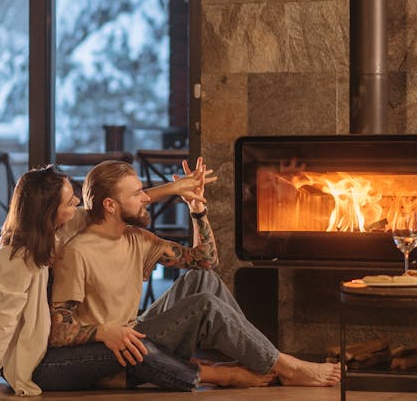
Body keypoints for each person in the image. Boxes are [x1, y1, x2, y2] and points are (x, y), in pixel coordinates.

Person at [0, 164, 271, 398]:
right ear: (50, 212)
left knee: (204, 282)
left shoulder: (60, 228)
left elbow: (108, 208)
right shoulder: (16, 259)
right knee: (135, 345)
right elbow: (3, 322)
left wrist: (184, 196)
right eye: (71, 203)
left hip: (97, 336)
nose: (79, 207)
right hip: (41, 362)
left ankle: (261, 358)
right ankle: (233, 372)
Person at [50, 159, 341, 387]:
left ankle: (262, 359)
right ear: (110, 205)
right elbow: (58, 331)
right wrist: (104, 332)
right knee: (204, 304)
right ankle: (287, 367)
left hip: (137, 329)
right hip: (122, 354)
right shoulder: (78, 252)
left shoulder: (136, 238)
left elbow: (205, 261)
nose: (146, 198)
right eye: (137, 193)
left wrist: (197, 210)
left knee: (204, 280)